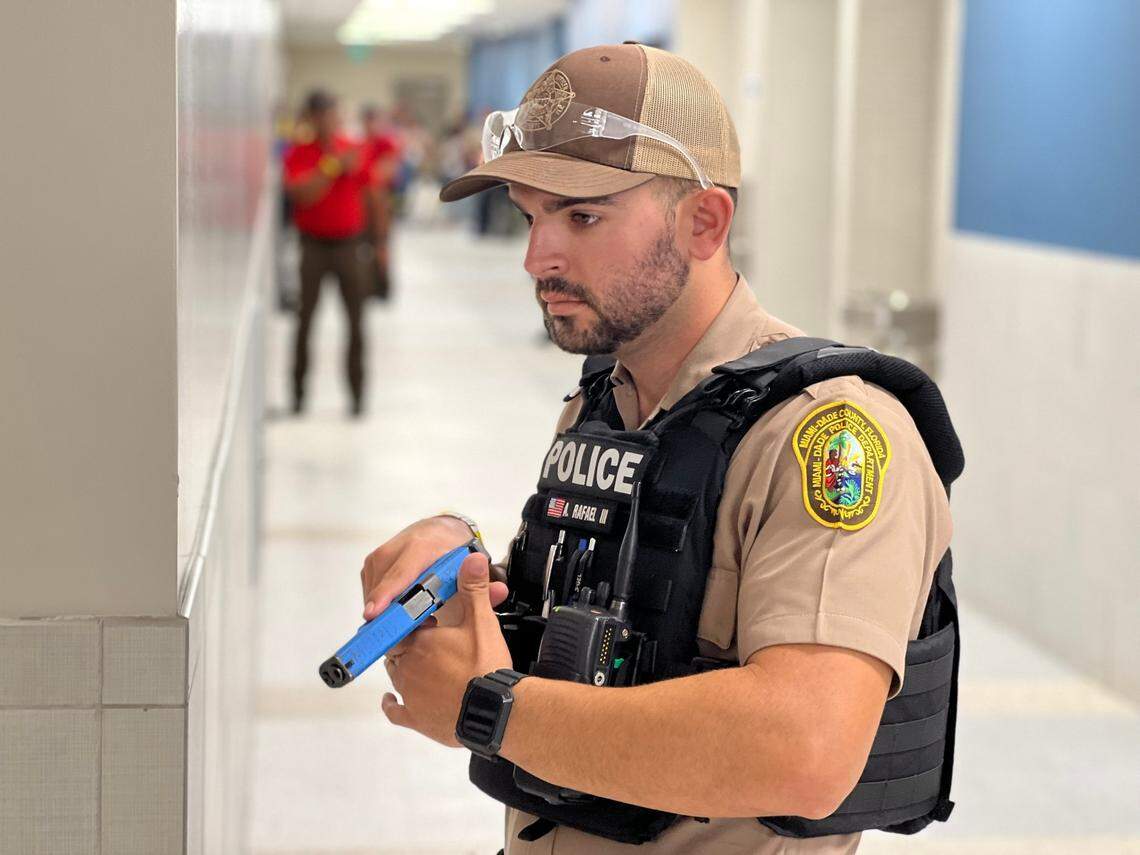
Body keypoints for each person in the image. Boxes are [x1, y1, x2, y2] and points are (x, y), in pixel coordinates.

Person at [357, 44, 962, 854]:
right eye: (531, 215)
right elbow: (616, 621)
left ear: (704, 222)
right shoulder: (606, 397)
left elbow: (806, 749)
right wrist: (462, 559)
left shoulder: (827, 433)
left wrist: (487, 707)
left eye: (583, 216)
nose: (539, 257)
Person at [283, 89, 374, 416]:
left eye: (334, 113)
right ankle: (297, 396)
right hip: (313, 246)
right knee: (305, 321)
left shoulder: (353, 148)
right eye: (323, 115)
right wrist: (332, 165)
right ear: (312, 117)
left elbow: (371, 191)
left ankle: (358, 398)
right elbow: (302, 194)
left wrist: (380, 245)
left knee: (356, 323)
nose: (330, 121)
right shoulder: (299, 153)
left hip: (350, 245)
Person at [359, 103, 400, 301]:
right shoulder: (362, 143)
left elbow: (387, 171)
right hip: (365, 202)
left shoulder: (385, 142)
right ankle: (369, 282)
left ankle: (382, 285)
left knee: (381, 243)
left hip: (381, 200)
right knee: (367, 246)